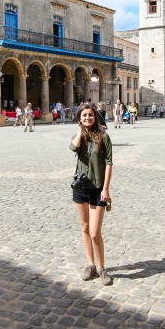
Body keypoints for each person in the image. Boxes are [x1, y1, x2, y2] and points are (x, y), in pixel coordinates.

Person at [70, 102, 114, 286]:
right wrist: (81, 129)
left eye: (90, 115)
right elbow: (72, 148)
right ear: (79, 118)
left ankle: (102, 268)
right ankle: (91, 265)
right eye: (84, 116)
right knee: (85, 227)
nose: (88, 118)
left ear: (95, 117)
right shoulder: (79, 137)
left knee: (95, 233)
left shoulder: (103, 136)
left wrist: (105, 189)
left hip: (97, 189)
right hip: (81, 188)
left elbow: (109, 163)